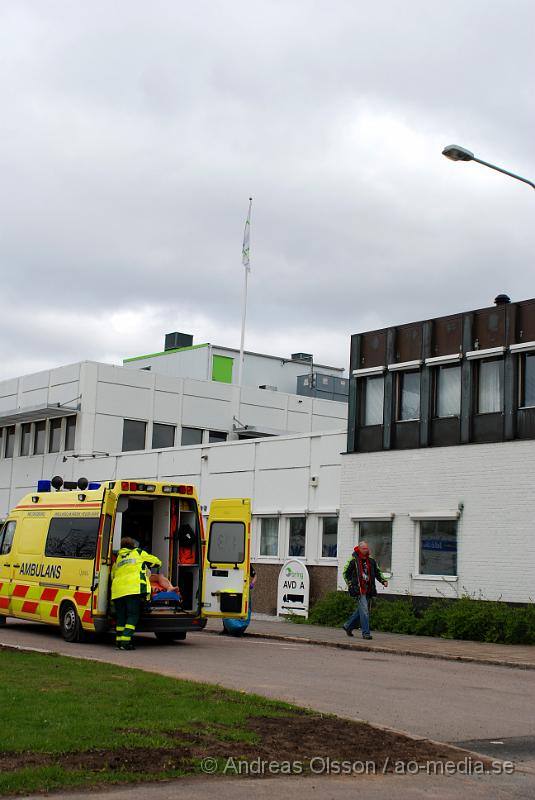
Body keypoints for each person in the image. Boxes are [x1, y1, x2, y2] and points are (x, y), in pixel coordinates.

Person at [111, 537, 162, 650]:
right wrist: (152, 565)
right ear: (133, 545)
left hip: (117, 590)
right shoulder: (138, 552)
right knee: (132, 615)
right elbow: (157, 562)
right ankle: (125, 642)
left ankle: (119, 642)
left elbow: (112, 575)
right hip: (133, 589)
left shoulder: (118, 558)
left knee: (121, 617)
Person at [342, 541, 388, 640]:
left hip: (369, 589)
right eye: (364, 549)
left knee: (361, 611)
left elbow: (377, 572)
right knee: (365, 611)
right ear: (359, 549)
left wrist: (383, 580)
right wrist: (350, 585)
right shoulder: (353, 560)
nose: (366, 550)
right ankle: (366, 633)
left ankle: (348, 625)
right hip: (359, 589)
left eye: (367, 548)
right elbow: (345, 573)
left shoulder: (371, 561)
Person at [220, 565, 257, 637]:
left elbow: (255, 575)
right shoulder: (230, 563)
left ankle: (239, 628)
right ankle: (226, 628)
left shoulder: (247, 564)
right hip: (232, 588)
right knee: (226, 607)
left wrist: (252, 584)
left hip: (243, 589)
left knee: (241, 608)